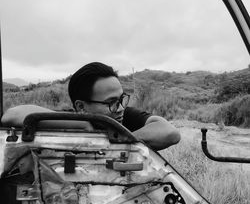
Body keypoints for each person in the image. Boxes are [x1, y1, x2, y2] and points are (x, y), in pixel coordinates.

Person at [2, 62, 180, 150]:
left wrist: (117, 141)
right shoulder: (71, 119)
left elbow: (170, 133)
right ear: (80, 107)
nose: (119, 108)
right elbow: (13, 115)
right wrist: (83, 125)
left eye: (121, 99)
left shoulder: (124, 116)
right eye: (110, 102)